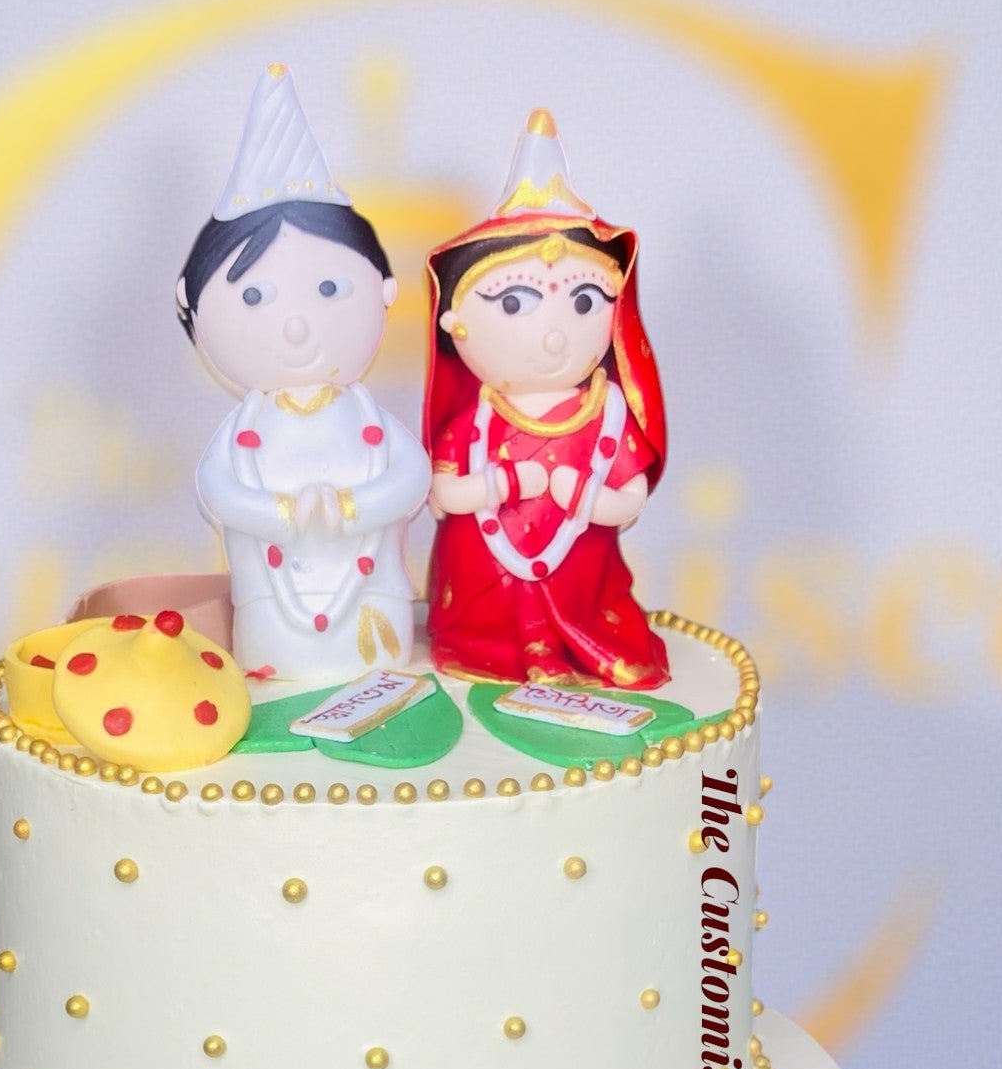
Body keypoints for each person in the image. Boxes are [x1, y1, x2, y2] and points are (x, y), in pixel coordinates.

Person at [180, 66, 429, 682]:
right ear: (193, 308)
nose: (295, 327)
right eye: (255, 297)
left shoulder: (367, 418)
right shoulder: (247, 426)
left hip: (370, 596)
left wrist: (353, 505)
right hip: (272, 603)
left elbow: (411, 476)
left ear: (384, 291)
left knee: (375, 669)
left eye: (328, 289)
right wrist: (280, 515)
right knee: (278, 678)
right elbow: (218, 488)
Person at [423, 110, 669, 688]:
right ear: (454, 324)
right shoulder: (472, 424)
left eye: (583, 302)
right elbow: (444, 491)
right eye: (513, 303)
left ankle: (568, 646)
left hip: (583, 588)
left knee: (590, 614)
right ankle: (500, 646)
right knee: (484, 621)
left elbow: (630, 494)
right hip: (484, 591)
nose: (555, 335)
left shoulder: (606, 416)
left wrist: (589, 499)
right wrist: (501, 485)